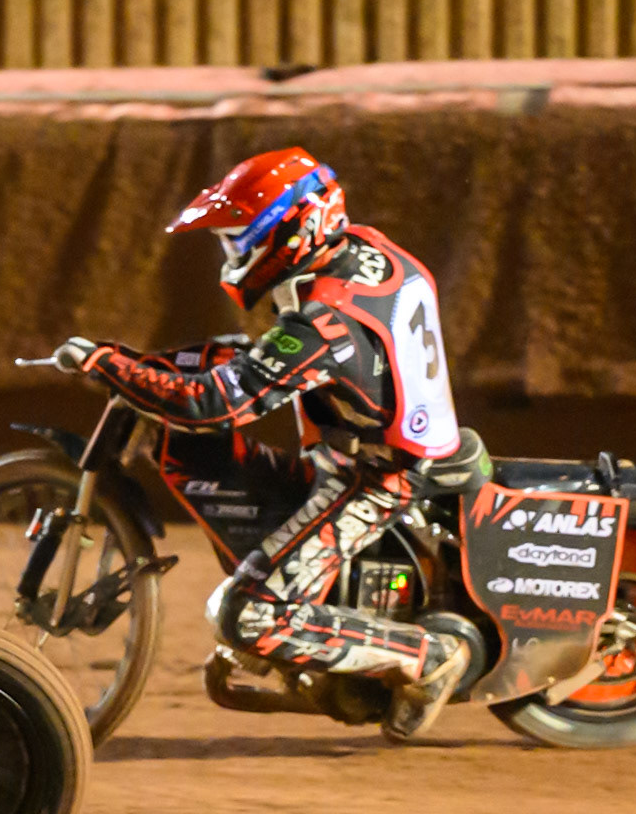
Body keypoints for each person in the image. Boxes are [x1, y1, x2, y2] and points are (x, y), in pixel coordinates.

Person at [51, 148, 471, 741]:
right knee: (217, 372)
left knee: (245, 615)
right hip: (375, 442)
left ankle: (425, 657)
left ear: (296, 229)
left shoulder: (324, 322)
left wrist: (108, 363)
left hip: (378, 478)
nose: (235, 257)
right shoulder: (365, 250)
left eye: (242, 241)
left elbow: (216, 404)